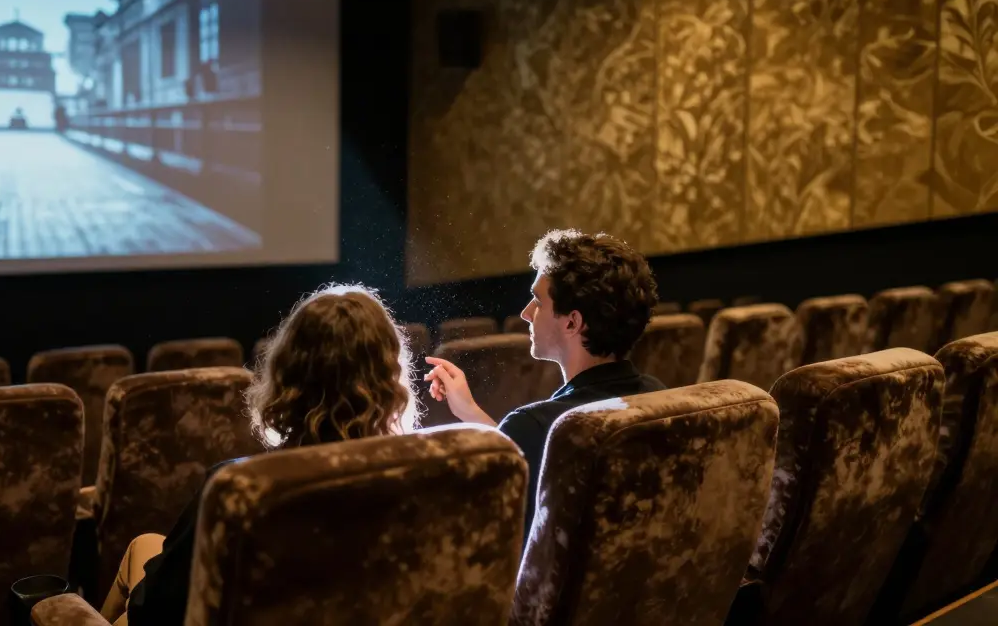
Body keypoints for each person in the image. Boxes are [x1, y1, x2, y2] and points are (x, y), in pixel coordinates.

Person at [99, 284, 420, 626]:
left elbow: (155, 612)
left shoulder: (238, 488)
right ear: (390, 377)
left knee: (132, 588)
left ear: (286, 376)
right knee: (145, 544)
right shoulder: (418, 475)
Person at [425, 229, 663, 537]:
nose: (526, 313)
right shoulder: (659, 396)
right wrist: (470, 411)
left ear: (572, 322)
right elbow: (527, 451)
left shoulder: (537, 426)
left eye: (538, 300)